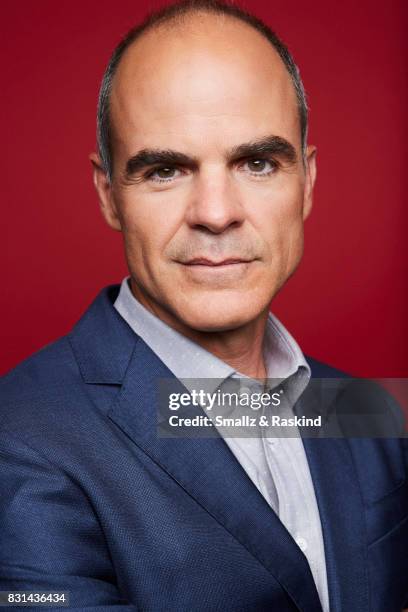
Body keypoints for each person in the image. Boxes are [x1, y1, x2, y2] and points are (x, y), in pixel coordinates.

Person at [1, 1, 407, 611]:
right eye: (165, 170)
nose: (215, 213)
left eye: (258, 162)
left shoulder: (363, 408)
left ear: (309, 183)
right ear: (109, 195)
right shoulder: (19, 439)